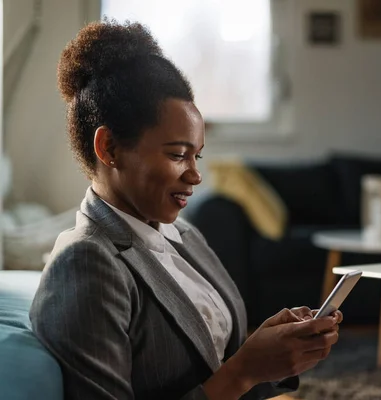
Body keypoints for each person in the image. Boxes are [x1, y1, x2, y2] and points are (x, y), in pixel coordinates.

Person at [30, 20, 342, 400]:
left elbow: (214, 361)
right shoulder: (86, 264)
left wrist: (269, 350)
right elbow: (230, 376)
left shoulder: (183, 234)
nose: (195, 175)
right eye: (178, 155)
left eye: (197, 155)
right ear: (109, 148)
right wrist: (245, 370)